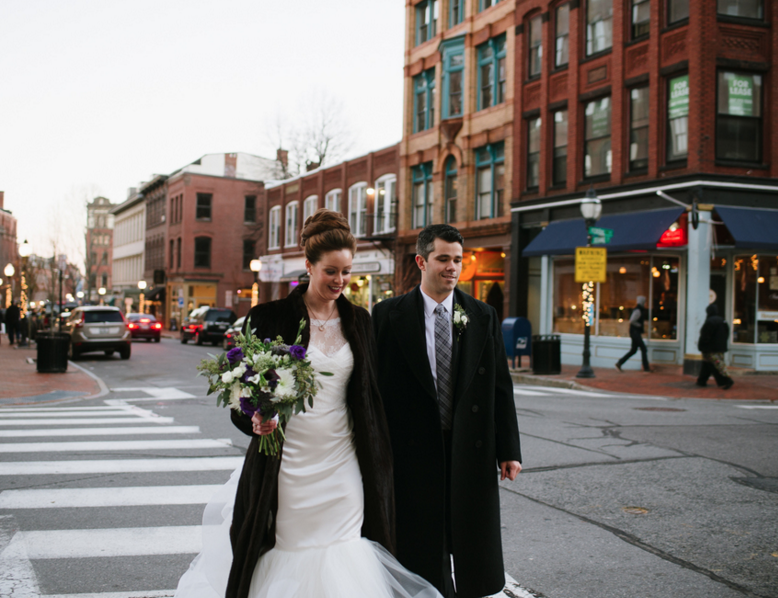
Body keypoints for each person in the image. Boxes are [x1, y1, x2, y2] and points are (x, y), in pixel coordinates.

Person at [175, 209, 441, 598]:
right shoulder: (269, 319)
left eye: (347, 272)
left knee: (346, 549)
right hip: (289, 463)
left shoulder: (361, 322)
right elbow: (240, 393)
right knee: (291, 550)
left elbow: (372, 397)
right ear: (309, 266)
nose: (340, 281)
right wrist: (254, 419)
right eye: (331, 271)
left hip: (344, 459)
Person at [372, 224, 523, 598]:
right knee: (422, 538)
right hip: (412, 447)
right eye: (443, 259)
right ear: (422, 261)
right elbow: (372, 388)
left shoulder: (482, 315)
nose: (452, 267)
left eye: (458, 259)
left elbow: (501, 388)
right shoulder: (387, 315)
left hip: (470, 445)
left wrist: (509, 450)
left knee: (471, 536)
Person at [697, 303, 733, 389]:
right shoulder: (722, 320)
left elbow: (705, 335)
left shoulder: (710, 321)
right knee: (708, 364)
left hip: (710, 348)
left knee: (716, 364)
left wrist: (702, 346)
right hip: (720, 347)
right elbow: (727, 333)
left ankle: (726, 380)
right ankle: (701, 380)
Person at [615, 295, 651, 372]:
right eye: (644, 302)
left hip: (635, 332)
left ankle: (620, 363)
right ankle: (646, 368)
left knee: (633, 350)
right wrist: (640, 325)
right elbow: (632, 320)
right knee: (643, 348)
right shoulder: (638, 310)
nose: (645, 304)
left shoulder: (639, 310)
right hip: (635, 332)